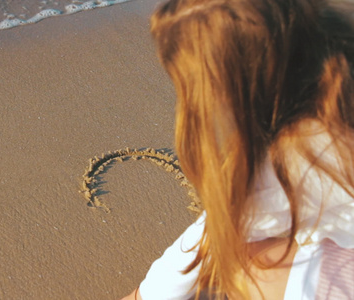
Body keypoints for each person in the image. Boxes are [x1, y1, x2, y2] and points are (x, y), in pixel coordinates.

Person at [122, 0, 354, 299]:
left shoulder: (297, 155)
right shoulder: (338, 90)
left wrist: (144, 295)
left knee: (243, 262)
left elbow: (219, 232)